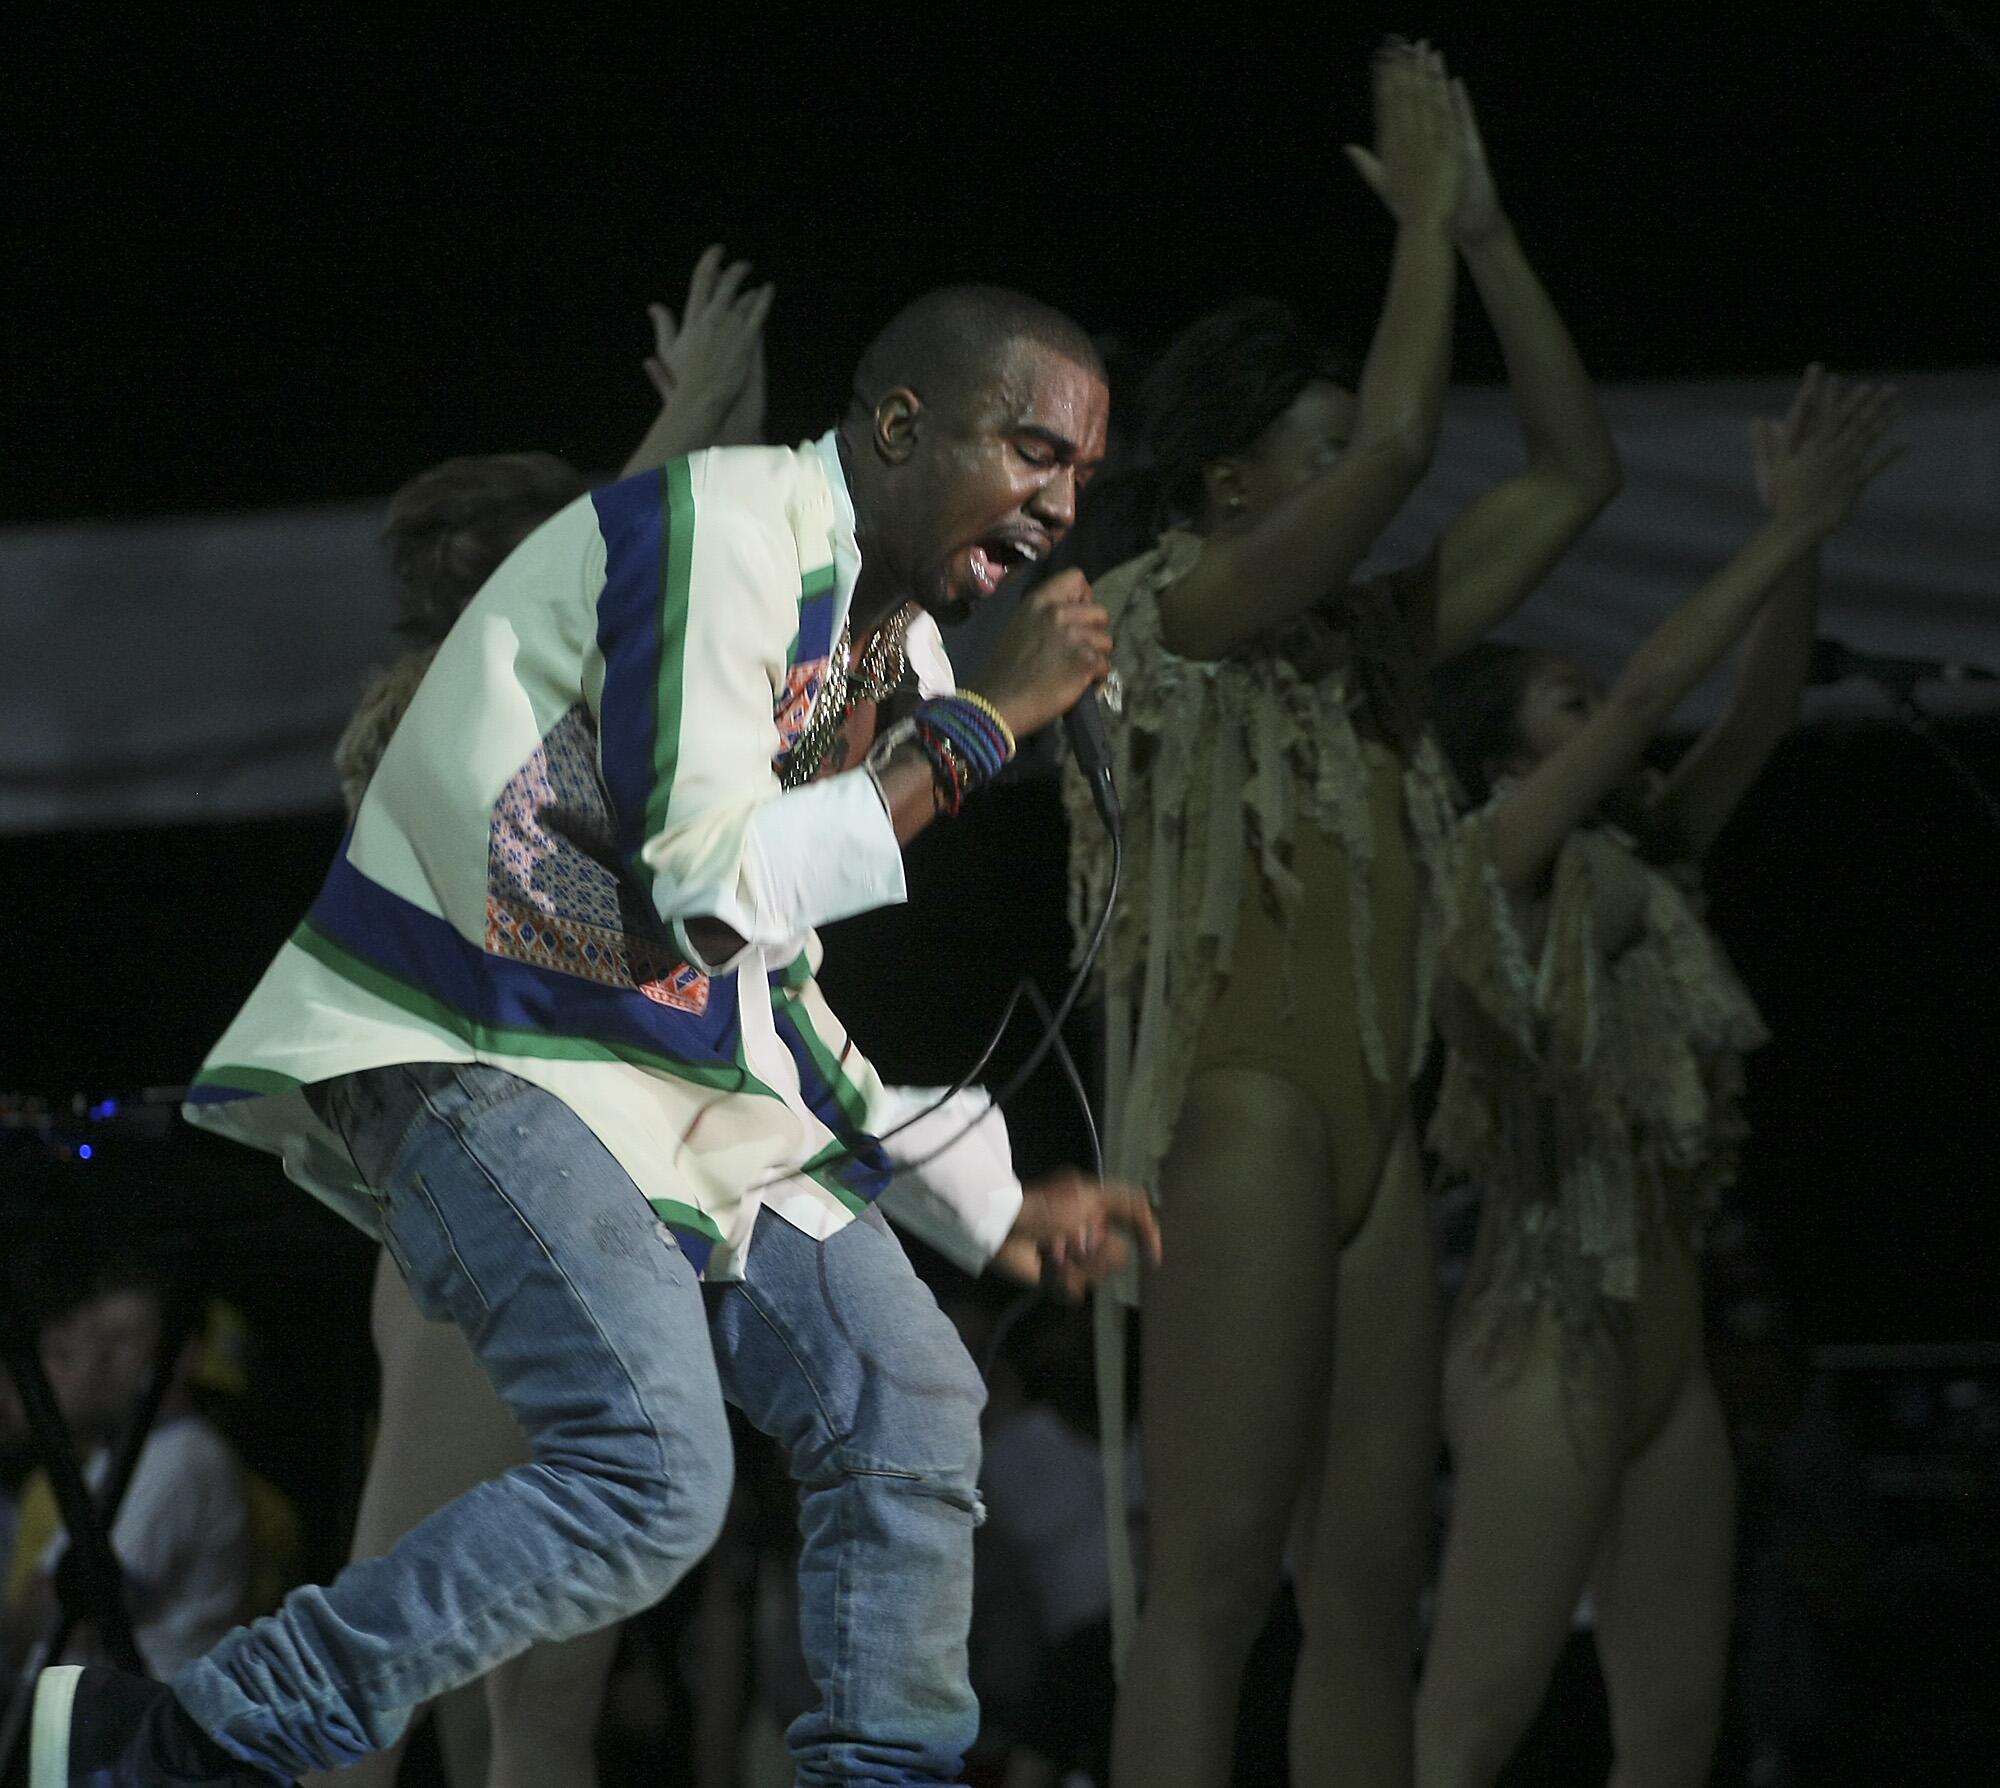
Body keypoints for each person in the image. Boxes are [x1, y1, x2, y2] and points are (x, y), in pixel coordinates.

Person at [32, 280, 1157, 1788]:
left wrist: (995, 1204)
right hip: (484, 1056)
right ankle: (176, 1744)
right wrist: (979, 735)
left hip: (665, 1094)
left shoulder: (886, 649)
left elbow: (768, 996)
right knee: (651, 1475)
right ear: (901, 424)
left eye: (1082, 475)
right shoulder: (727, 537)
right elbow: (711, 896)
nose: (1062, 506)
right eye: (1035, 452)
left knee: (913, 1399)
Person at [1063, 41, 1618, 1787]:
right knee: (1213, 1587)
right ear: (1228, 484)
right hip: (1245, 1113)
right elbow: (1396, 445)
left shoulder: (1372, 644)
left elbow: (1577, 470)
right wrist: (1424, 231)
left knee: (1371, 1597)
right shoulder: (1171, 615)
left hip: (1380, 1132)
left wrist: (1497, 239)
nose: (1350, 473)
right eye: (1296, 453)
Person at [313, 245, 775, 1788]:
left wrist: (725, 425)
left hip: (605, 1227)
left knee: (547, 1713)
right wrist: (694, 417)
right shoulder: (429, 725)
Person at [1413, 367, 1902, 1788]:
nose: (1603, 715)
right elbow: (1647, 696)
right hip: (1545, 1336)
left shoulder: (1646, 864)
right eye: (1558, 704)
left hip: (1667, 1353)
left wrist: (1799, 540)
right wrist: (1773, 534)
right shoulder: (1487, 874)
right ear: (1504, 760)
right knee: (1472, 1721)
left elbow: (1748, 719)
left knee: (1676, 1735)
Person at [2, 1266, 250, 1683]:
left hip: (134, 1722)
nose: (98, 1356)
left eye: (120, 1339)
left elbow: (76, 1606)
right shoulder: (125, 1451)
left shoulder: (182, 1456)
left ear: (179, 1354)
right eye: (98, 1338)